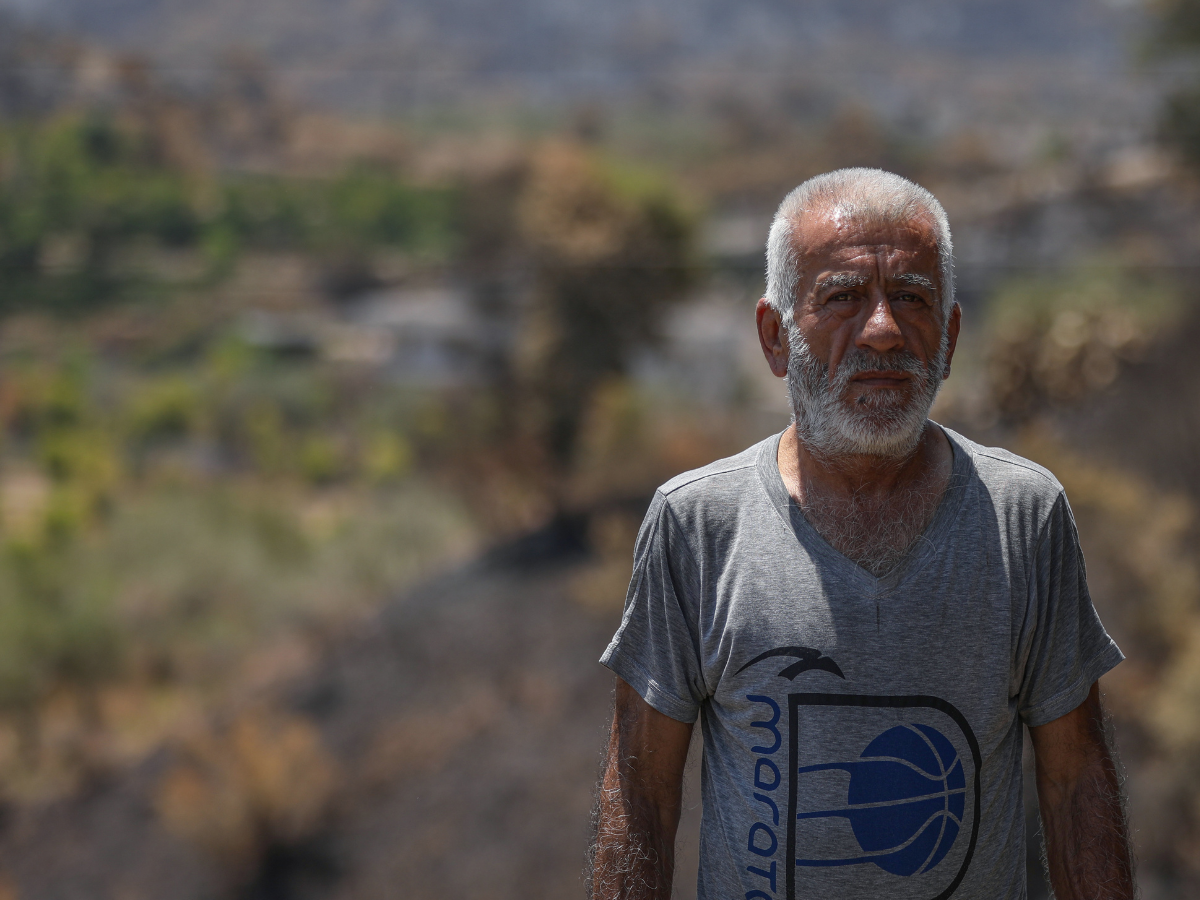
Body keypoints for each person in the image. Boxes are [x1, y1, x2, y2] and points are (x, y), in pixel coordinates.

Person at [589, 168, 1134, 900]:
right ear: (775, 337)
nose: (883, 329)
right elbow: (642, 795)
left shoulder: (1022, 518)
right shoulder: (698, 525)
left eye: (911, 298)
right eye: (843, 297)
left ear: (949, 336)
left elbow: (1076, 787)